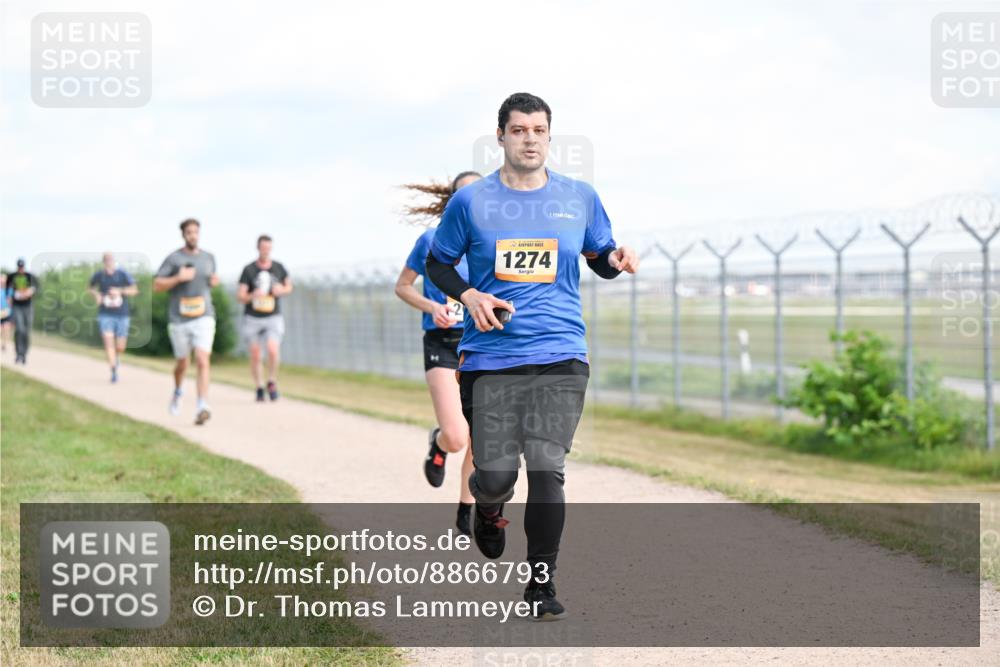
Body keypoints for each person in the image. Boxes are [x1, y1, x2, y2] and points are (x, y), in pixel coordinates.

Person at [426, 93, 639, 620]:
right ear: (500, 136)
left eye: (539, 130)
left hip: (561, 352)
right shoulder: (472, 203)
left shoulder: (579, 197)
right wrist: (469, 295)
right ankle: (488, 507)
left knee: (547, 465)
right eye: (518, 130)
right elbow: (439, 265)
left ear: (549, 136)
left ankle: (541, 583)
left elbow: (599, 256)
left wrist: (615, 257)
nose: (529, 139)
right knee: (496, 474)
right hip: (490, 358)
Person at [394, 171, 481, 536]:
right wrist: (431, 307)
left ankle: (467, 509)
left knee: (482, 437)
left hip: (482, 344)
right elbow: (403, 287)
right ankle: (439, 444)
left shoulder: (492, 243)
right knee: (458, 435)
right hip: (442, 344)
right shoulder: (431, 240)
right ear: (451, 203)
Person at [153, 219, 219, 425]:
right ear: (183, 235)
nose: (193, 235)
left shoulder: (209, 258)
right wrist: (178, 278)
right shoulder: (174, 259)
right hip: (179, 318)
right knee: (183, 363)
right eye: (189, 232)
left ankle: (202, 405)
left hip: (204, 315)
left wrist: (213, 282)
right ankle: (178, 391)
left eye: (196, 232)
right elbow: (157, 285)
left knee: (202, 359)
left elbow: (210, 281)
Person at [237, 235, 292, 401]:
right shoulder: (249, 270)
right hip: (253, 317)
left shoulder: (279, 267)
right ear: (258, 248)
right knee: (255, 354)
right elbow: (240, 296)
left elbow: (289, 287)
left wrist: (281, 290)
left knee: (273, 349)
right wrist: (252, 295)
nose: (266, 251)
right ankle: (259, 386)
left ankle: (272, 381)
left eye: (268, 248)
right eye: (263, 248)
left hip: (272, 316)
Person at [89, 252, 138, 383]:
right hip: (105, 314)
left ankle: (116, 359)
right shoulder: (99, 275)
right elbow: (91, 288)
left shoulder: (122, 274)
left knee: (120, 346)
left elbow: (134, 290)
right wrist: (97, 296)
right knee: (108, 343)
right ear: (103, 261)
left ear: (114, 261)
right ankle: (114, 371)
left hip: (122, 315)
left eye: (110, 259)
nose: (108, 262)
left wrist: (119, 291)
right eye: (106, 260)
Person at [6, 258, 38, 364]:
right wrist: (10, 298)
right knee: (19, 329)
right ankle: (18, 353)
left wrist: (30, 292)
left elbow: (36, 288)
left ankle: (24, 354)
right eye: (19, 267)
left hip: (28, 306)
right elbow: (7, 290)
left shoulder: (29, 276)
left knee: (26, 331)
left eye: (22, 267)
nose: (20, 269)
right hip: (17, 306)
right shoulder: (12, 276)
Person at [0, 273, 11, 354]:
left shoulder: (8, 290)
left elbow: (10, 302)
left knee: (6, 329)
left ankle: (4, 344)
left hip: (6, 312)